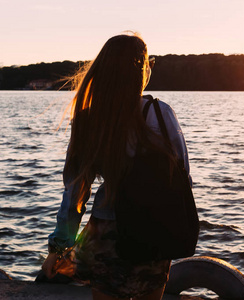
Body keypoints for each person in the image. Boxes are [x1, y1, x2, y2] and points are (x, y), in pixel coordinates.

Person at [41, 33, 191, 300]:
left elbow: (75, 193)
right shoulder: (161, 114)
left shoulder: (90, 118)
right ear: (144, 69)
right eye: (150, 63)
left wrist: (59, 249)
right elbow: (183, 180)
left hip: (106, 235)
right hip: (155, 234)